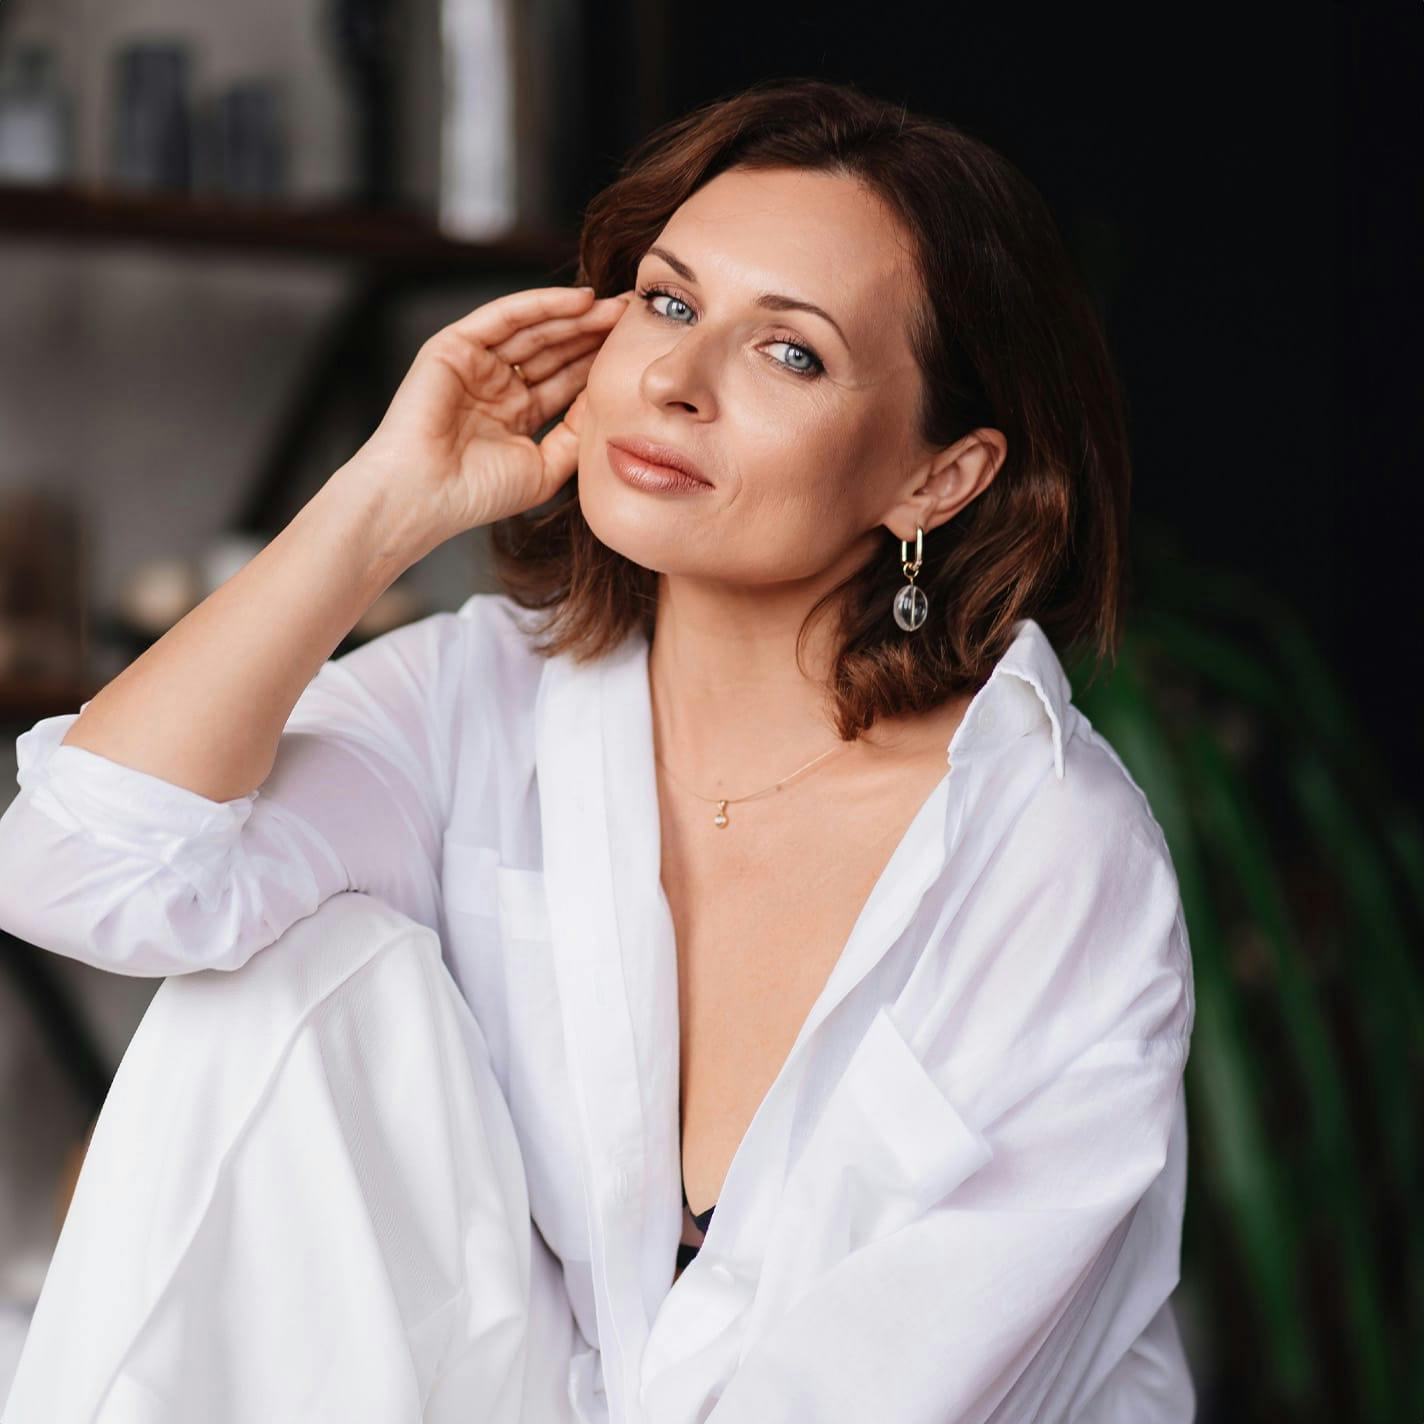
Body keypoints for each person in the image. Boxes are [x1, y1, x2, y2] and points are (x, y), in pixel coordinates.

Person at [0, 76, 1196, 1423]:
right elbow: (81, 872)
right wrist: (381, 505)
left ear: (937, 478)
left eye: (787, 352)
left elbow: (904, 1386)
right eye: (669, 301)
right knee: (286, 978)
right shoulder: (478, 699)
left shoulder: (1044, 850)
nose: (675, 382)